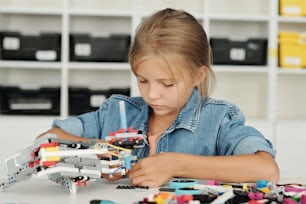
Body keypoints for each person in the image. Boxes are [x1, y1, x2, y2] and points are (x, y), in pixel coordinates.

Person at [37, 8, 279, 187]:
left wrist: (176, 164)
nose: (152, 94)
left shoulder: (217, 119)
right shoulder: (116, 111)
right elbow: (47, 140)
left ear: (198, 75)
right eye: (143, 80)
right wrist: (94, 154)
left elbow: (267, 169)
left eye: (167, 83)